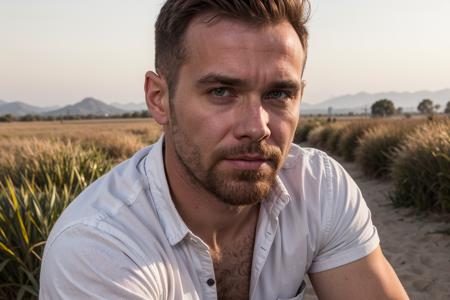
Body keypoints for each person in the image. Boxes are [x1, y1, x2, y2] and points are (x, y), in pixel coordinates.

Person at [40, 0, 409, 299]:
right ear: (159, 99)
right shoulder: (99, 247)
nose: (257, 127)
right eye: (221, 92)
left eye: (279, 94)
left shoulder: (318, 187)